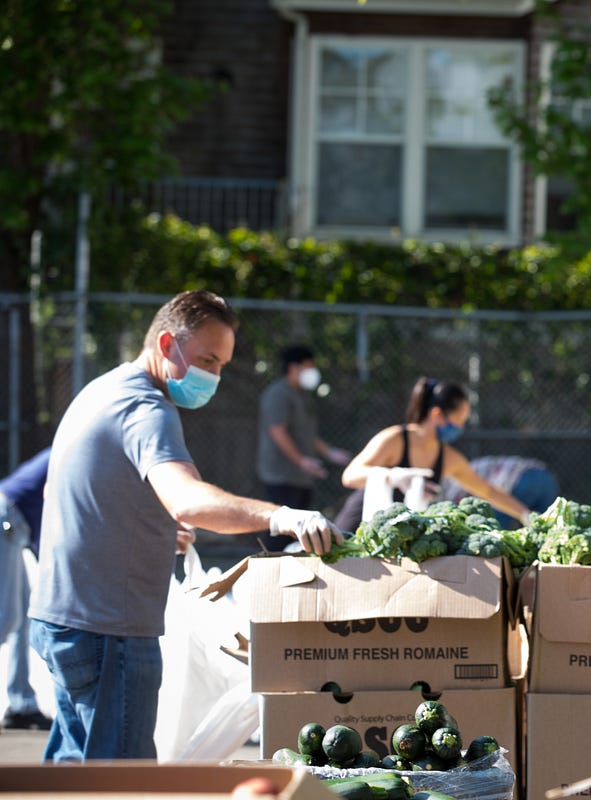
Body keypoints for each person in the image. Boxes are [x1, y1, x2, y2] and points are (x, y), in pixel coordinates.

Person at [28, 290, 342, 762]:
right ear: (166, 343)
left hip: (65, 617)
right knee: (119, 783)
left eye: (222, 365)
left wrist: (141, 527)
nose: (213, 376)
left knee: (75, 773)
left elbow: (71, 494)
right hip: (107, 630)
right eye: (207, 360)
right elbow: (189, 501)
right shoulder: (146, 408)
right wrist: (281, 516)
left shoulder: (101, 391)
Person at [338, 377, 533, 529]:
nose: (461, 427)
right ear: (437, 414)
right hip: (360, 525)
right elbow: (350, 476)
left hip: (396, 537)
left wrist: (526, 515)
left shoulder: (448, 458)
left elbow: (488, 491)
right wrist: (395, 476)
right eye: (459, 419)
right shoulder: (395, 439)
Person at [256, 344, 352, 551]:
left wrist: (330, 453)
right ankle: (265, 567)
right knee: (280, 532)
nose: (313, 371)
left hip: (301, 478)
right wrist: (301, 461)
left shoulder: (303, 395)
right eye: (310, 366)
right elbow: (277, 431)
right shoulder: (278, 394)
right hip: (281, 476)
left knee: (297, 534)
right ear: (294, 367)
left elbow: (308, 434)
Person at [0, 447, 54, 731]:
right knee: (6, 619)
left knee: (21, 618)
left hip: (14, 525)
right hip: (7, 521)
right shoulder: (72, 449)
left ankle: (21, 704)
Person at [441, 455, 559, 528]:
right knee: (545, 529)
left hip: (519, 482)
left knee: (494, 529)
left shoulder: (451, 482)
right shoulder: (465, 466)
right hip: (545, 477)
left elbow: (487, 494)